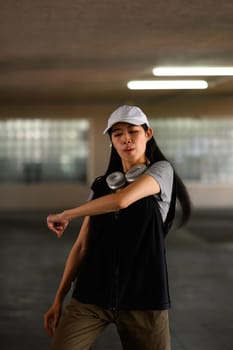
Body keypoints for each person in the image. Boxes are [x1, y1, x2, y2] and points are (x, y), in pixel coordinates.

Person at [44, 105, 191, 350]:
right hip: (91, 298)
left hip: (144, 299)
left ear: (148, 133)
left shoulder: (162, 172)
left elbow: (122, 200)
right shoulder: (102, 186)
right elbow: (81, 246)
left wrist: (67, 214)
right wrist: (59, 298)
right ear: (111, 140)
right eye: (118, 133)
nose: (126, 138)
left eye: (133, 131)